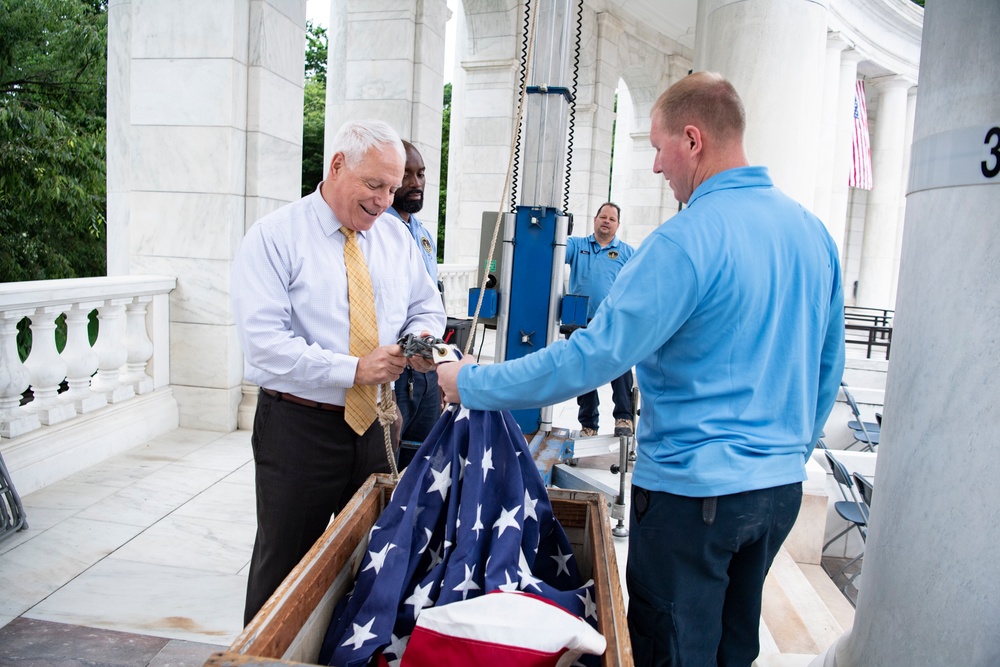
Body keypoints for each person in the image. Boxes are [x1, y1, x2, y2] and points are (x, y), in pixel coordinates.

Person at [439, 72, 845, 666]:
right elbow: (827, 366)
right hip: (777, 490)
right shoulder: (814, 235)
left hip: (694, 498)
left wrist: (471, 382)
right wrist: (786, 451)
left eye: (657, 148)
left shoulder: (685, 241)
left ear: (692, 139)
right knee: (735, 645)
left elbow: (591, 357)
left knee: (671, 650)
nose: (655, 166)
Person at [233, 119, 446, 626]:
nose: (384, 200)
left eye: (393, 188)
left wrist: (418, 340)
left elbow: (427, 306)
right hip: (299, 431)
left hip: (379, 425)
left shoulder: (396, 237)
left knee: (372, 563)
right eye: (374, 185)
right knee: (284, 569)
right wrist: (353, 369)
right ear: (336, 166)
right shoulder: (274, 237)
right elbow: (263, 348)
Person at [387, 141, 441, 466]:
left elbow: (426, 300)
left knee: (424, 463)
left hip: (423, 370)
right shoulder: (375, 229)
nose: (416, 182)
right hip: (391, 372)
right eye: (406, 174)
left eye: (420, 174)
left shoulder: (422, 234)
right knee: (387, 466)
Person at [565, 202, 636, 437]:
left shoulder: (627, 253)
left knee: (620, 369)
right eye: (602, 217)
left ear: (617, 225)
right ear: (595, 219)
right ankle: (588, 425)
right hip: (579, 321)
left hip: (612, 322)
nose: (606, 221)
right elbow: (555, 251)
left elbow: (639, 285)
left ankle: (624, 419)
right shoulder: (577, 245)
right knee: (583, 373)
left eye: (611, 219)